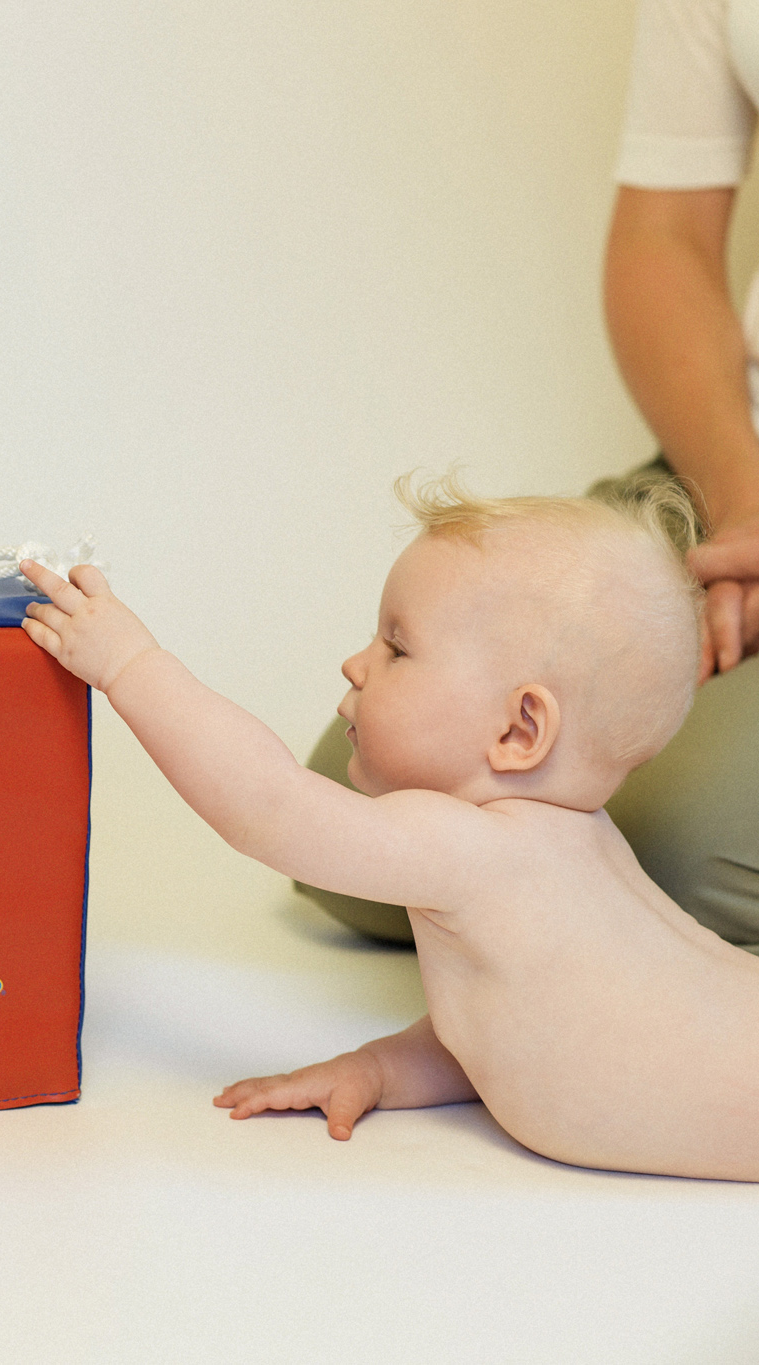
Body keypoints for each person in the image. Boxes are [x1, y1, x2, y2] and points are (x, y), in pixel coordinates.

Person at [19, 481, 759, 1180]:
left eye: (397, 648)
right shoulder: (569, 846)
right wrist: (379, 1066)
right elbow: (515, 1031)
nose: (356, 663)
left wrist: (131, 665)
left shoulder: (474, 850)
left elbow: (271, 805)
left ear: (520, 728)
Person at [300, 0, 759, 951]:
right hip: (732, 464)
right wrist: (738, 493)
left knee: (673, 855)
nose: (359, 658)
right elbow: (663, 241)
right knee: (353, 807)